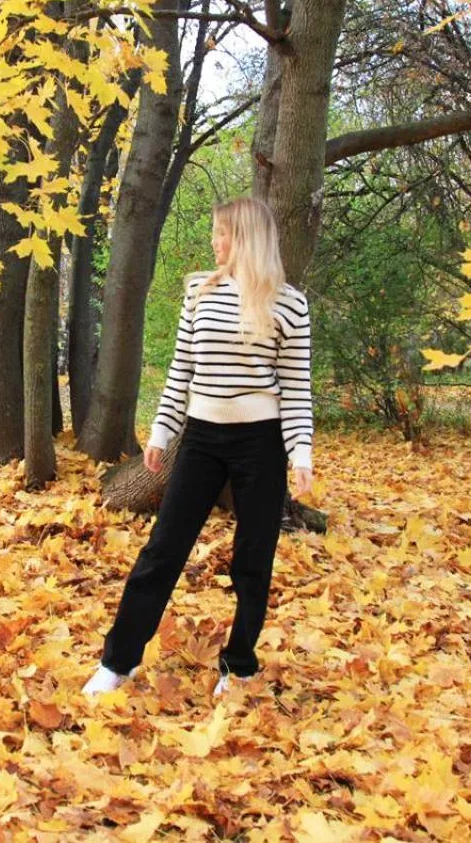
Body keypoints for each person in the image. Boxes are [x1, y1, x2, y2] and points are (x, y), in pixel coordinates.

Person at [82, 195, 314, 698]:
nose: (214, 242)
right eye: (214, 232)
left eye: (223, 234)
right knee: (163, 549)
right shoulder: (199, 294)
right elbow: (181, 370)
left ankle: (240, 664)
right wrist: (161, 433)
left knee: (254, 558)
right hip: (201, 439)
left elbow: (297, 386)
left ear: (248, 238)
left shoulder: (290, 304)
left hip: (261, 444)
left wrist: (301, 453)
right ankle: (118, 660)